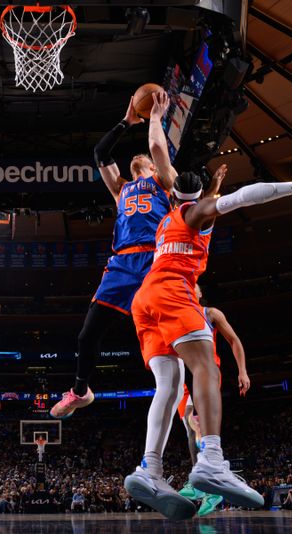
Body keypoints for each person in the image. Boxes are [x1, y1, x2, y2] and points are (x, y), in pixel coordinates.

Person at [124, 91, 292, 519]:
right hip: (174, 291)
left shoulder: (170, 211)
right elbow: (250, 196)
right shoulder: (198, 213)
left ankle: (150, 468)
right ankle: (211, 458)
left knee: (168, 386)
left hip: (144, 300)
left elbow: (158, 149)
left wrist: (156, 117)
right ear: (202, 197)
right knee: (207, 368)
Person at [50, 92, 207, 419]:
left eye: (145, 159)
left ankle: (188, 399)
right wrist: (126, 121)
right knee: (88, 333)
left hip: (155, 260)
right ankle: (81, 391)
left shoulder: (165, 182)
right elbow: (100, 153)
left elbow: (157, 148)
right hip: (121, 263)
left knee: (174, 332)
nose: (138, 157)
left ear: (153, 168)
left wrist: (155, 118)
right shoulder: (120, 188)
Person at [177, 283, 251, 516]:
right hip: (182, 379)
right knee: (190, 432)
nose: (189, 287)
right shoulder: (176, 313)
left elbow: (234, 340)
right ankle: (205, 486)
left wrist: (242, 371)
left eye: (194, 285)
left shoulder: (211, 313)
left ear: (199, 293)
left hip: (205, 371)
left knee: (195, 421)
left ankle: (211, 479)